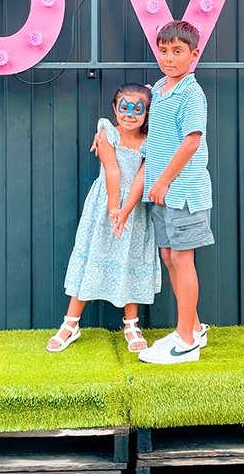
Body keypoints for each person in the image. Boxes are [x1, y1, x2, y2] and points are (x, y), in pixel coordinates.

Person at [115, 20, 214, 365]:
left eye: (177, 51)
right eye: (164, 50)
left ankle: (186, 341)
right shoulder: (159, 87)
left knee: (182, 259)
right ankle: (194, 326)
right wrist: (107, 133)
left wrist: (163, 181)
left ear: (193, 54)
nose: (169, 58)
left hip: (183, 192)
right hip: (161, 194)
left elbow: (191, 141)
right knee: (170, 257)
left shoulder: (191, 93)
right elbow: (138, 123)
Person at [47, 84, 159, 353]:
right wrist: (114, 210)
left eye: (137, 108)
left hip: (136, 207)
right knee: (92, 256)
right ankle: (70, 323)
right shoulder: (107, 133)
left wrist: (127, 210)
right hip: (105, 205)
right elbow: (112, 171)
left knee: (132, 258)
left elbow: (142, 178)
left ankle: (131, 324)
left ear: (147, 112)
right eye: (124, 107)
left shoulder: (152, 140)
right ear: (114, 108)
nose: (129, 114)